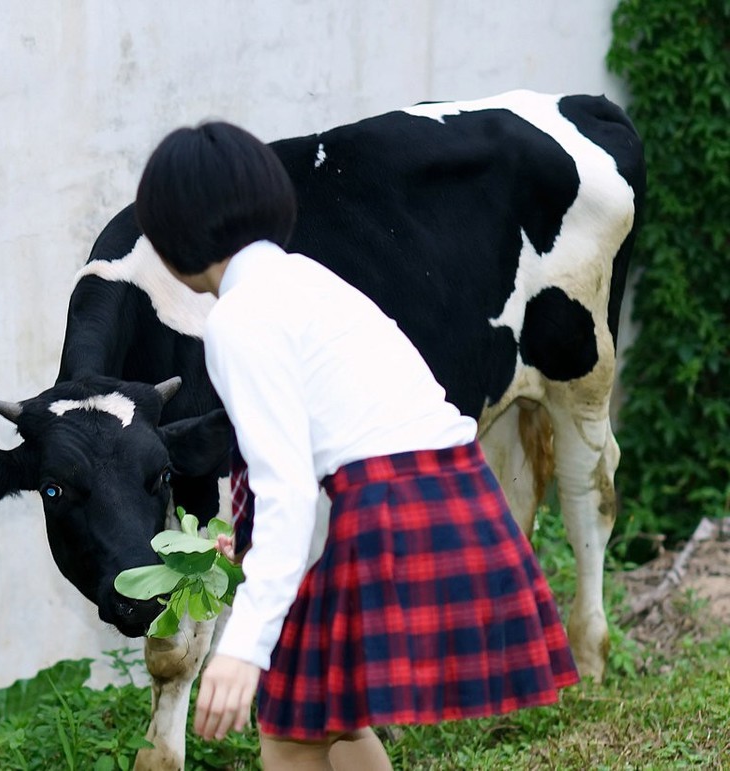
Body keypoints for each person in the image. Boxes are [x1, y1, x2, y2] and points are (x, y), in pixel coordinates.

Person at [133, 121, 579, 770]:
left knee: (292, 727)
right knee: (326, 714)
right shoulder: (304, 279)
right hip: (449, 488)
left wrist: (244, 646)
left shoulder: (240, 317)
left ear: (171, 241)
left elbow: (285, 488)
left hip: (390, 509)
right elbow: (327, 452)